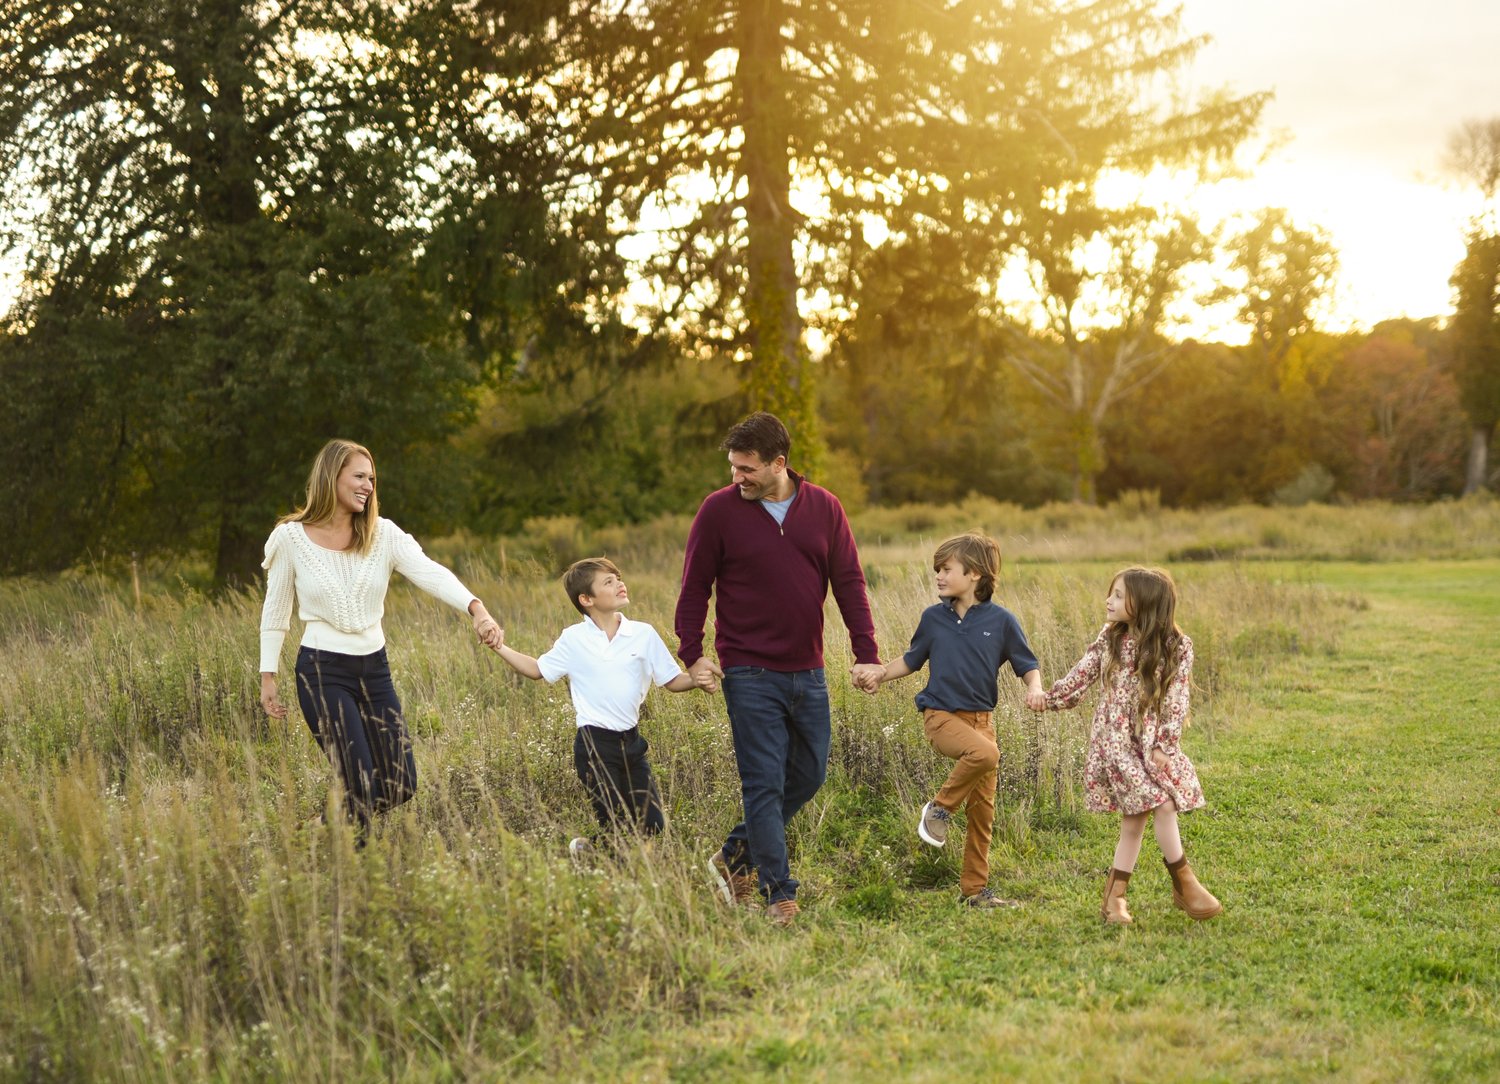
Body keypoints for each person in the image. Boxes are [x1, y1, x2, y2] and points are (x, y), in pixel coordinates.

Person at [675, 411, 884, 926]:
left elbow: (850, 583)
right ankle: (777, 892)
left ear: (778, 464)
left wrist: (866, 651)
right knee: (763, 782)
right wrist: (692, 650)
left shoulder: (825, 509)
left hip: (808, 669)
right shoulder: (718, 512)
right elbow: (694, 585)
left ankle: (733, 856)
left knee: (809, 774)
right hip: (747, 671)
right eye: (732, 467)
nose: (736, 478)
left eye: (746, 468)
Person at [259, 439, 502, 835]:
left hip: (374, 669)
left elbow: (430, 572)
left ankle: (321, 827)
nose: (368, 486)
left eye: (371, 479)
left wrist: (477, 608)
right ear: (331, 476)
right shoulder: (291, 538)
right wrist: (268, 675)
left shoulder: (383, 534)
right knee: (361, 784)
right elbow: (275, 609)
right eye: (359, 476)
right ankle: (356, 878)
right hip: (322, 672)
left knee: (401, 783)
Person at [1026, 566, 1222, 925]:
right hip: (1115, 742)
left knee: (1136, 820)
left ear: (1144, 603)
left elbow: (1177, 701)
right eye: (1111, 593)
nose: (1109, 601)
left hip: (1149, 742)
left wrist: (1164, 745)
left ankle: (1115, 899)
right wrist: (1046, 697)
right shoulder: (1110, 638)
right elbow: (1080, 676)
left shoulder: (1177, 646)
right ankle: (1184, 885)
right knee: (1161, 805)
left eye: (1118, 595)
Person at [858, 532, 1043, 909]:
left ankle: (974, 891)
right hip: (941, 717)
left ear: (974, 574)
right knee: (987, 755)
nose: (939, 576)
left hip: (982, 722)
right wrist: (878, 674)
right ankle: (938, 810)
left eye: (946, 569)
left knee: (983, 812)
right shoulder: (933, 618)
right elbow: (911, 660)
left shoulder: (1002, 621)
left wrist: (1035, 689)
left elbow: (1028, 665)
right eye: (937, 570)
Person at [489, 557, 701, 860]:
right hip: (594, 745)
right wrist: (499, 647)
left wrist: (697, 678)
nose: (619, 583)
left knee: (653, 826)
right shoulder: (574, 639)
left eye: (618, 577)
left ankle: (588, 852)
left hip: (632, 744)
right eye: (608, 582)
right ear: (586, 599)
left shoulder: (643, 634)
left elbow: (672, 680)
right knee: (616, 826)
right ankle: (603, 866)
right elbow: (538, 669)